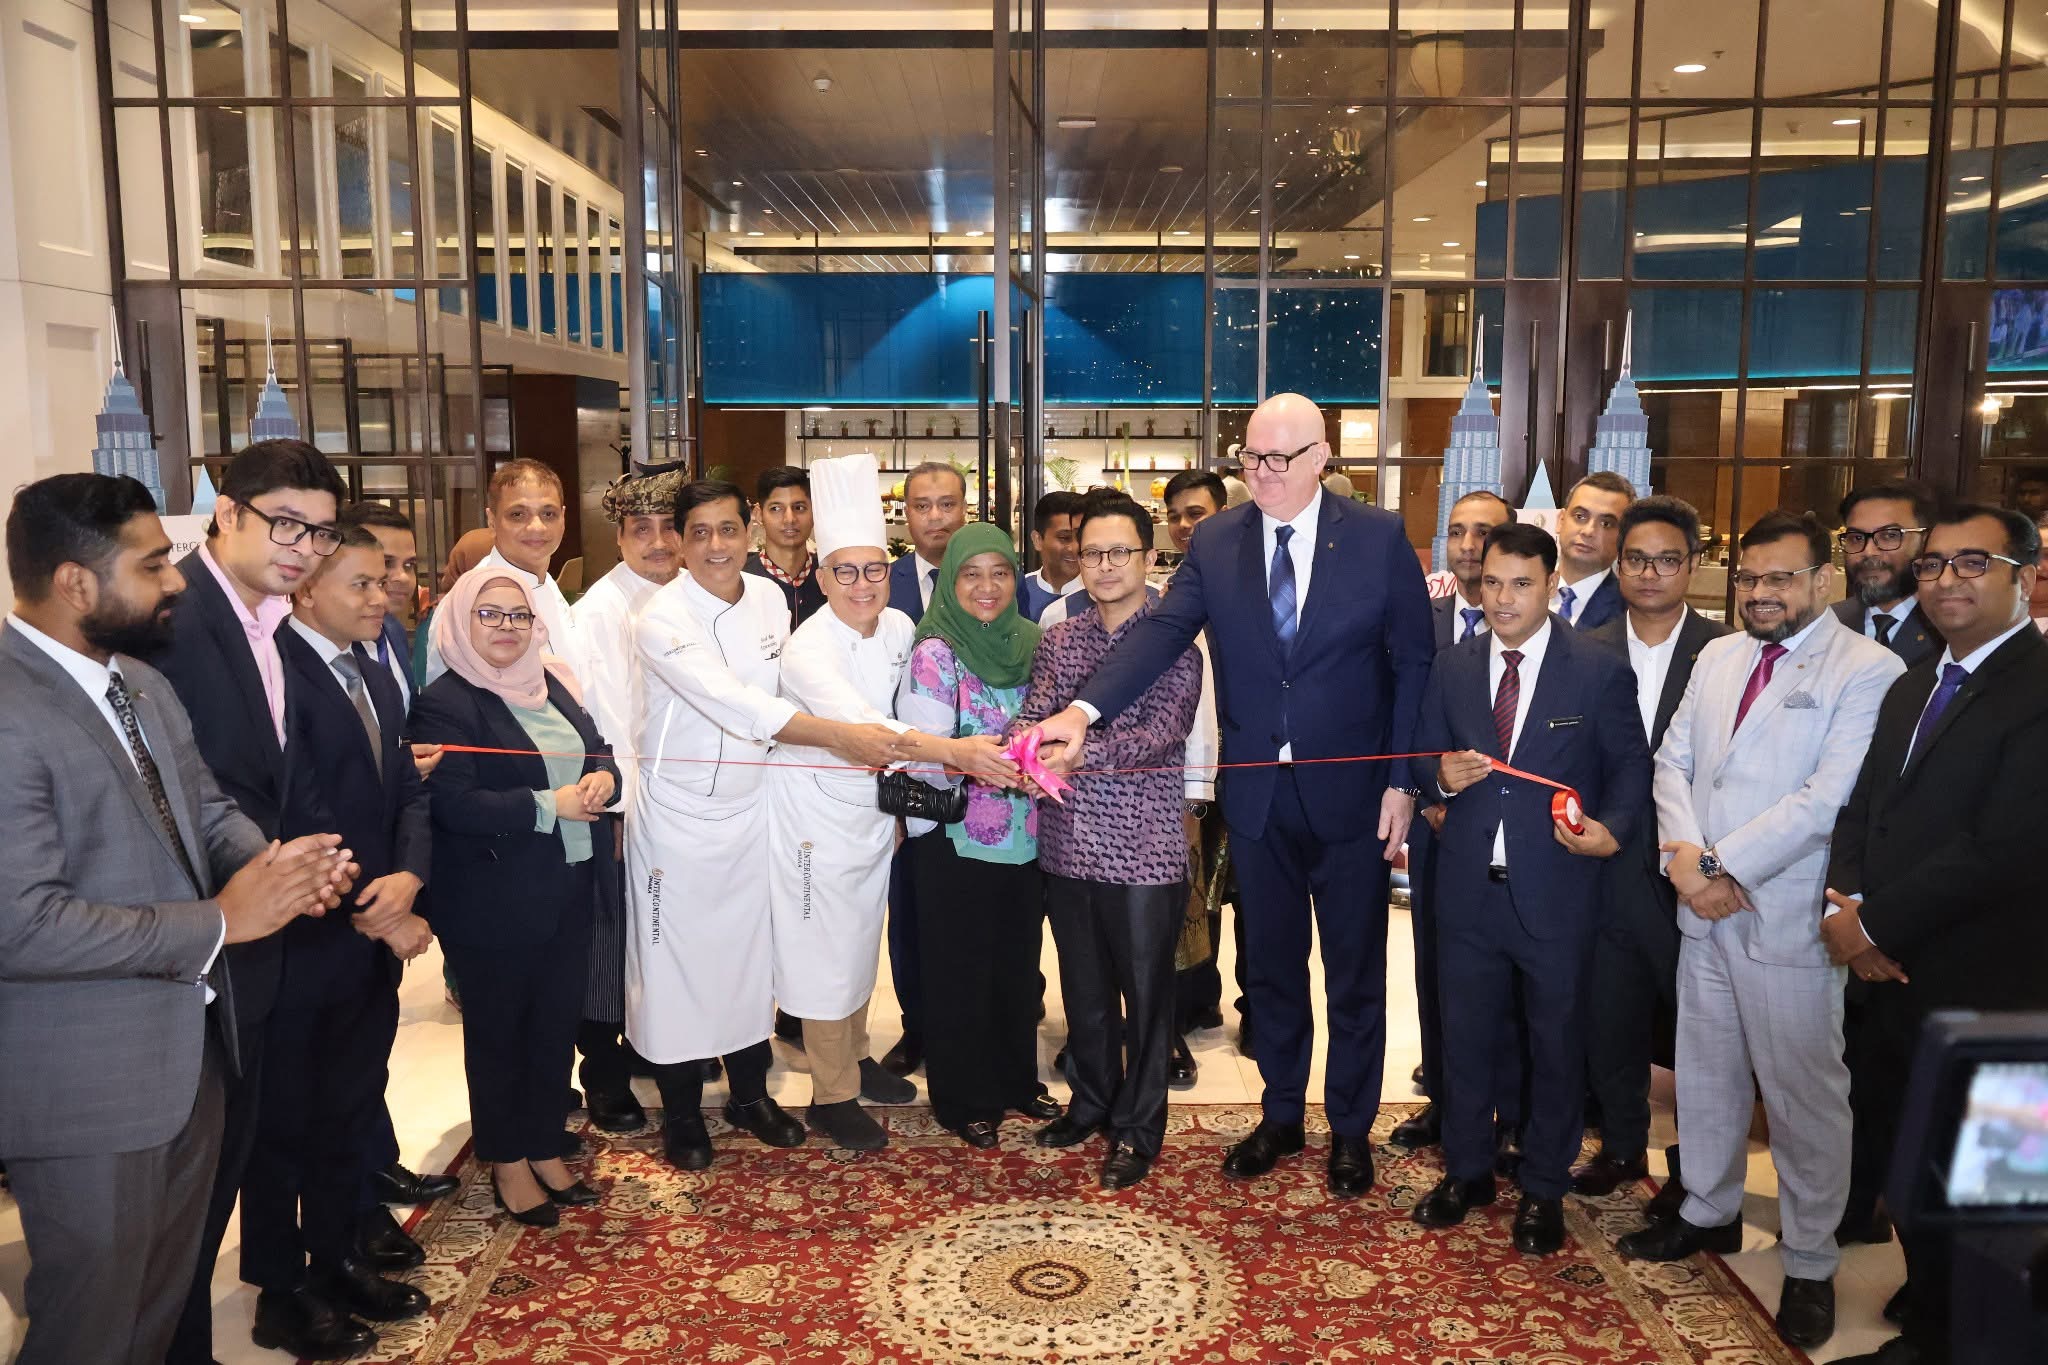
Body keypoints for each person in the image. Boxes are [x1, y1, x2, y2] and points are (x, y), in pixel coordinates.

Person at [1030, 392, 1435, 1197]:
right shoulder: (1218, 539)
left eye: (1279, 458)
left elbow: (1413, 662)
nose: (1263, 472)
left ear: (1321, 457)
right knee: (1272, 969)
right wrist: (1081, 710)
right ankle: (1281, 1115)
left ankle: (1348, 1129)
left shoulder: (1379, 537)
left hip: (1354, 795)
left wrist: (1403, 778)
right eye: (1251, 457)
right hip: (1256, 796)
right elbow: (1161, 633)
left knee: (1354, 974)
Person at [0, 473, 350, 1365]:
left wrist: (278, 867)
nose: (175, 582)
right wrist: (222, 921)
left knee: (157, 1309)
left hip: (191, 1058)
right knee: (91, 1325)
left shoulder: (142, 685)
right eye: (153, 564)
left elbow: (203, 810)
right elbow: (23, 924)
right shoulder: (9, 709)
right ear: (76, 582)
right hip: (86, 1085)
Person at [1624, 510, 1906, 1352]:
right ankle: (1707, 1209)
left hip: (1785, 911)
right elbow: (1670, 762)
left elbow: (1826, 799)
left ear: (1823, 579)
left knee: (1802, 1094)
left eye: (1780, 577)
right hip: (1702, 904)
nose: (1760, 592)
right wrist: (1685, 864)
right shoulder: (1719, 655)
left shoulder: (1869, 669)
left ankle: (1812, 1258)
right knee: (1706, 1070)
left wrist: (1720, 865)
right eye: (1749, 577)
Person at [626, 481, 913, 1169]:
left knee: (751, 959)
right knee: (676, 966)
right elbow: (738, 703)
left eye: (728, 529)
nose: (716, 546)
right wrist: (846, 736)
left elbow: (789, 687)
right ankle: (682, 1113)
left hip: (759, 805)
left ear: (748, 533)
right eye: (700, 532)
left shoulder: (767, 599)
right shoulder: (659, 618)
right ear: (680, 542)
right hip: (679, 815)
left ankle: (750, 1095)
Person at [1823, 506, 2048, 1365]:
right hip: (1891, 979)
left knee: (1989, 1194)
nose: (1947, 579)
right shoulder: (1912, 682)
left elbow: (2005, 848)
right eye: (1933, 564)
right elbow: (1864, 809)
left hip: (1997, 989)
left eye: (1973, 562)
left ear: (2025, 575)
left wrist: (1870, 924)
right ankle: (1932, 1320)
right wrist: (1849, 910)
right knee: (1909, 1165)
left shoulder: (2038, 687)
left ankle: (1969, 1340)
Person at [148, 437, 352, 1365]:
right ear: (226, 514)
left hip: (257, 928)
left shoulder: (265, 622)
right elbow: (169, 797)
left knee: (227, 1160)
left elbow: (267, 777)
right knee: (181, 1194)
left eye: (321, 532)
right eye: (286, 524)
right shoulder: (177, 622)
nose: (304, 548)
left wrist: (309, 863)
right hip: (190, 944)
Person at [1408, 522, 1649, 1254]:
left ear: (1551, 585)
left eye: (1521, 584)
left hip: (1558, 889)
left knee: (1556, 1043)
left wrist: (1611, 830)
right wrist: (1436, 776)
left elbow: (1630, 768)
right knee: (1464, 1037)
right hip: (1467, 890)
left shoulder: (1598, 668)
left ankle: (1544, 1184)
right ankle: (1467, 1171)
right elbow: (1421, 754)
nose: (1504, 599)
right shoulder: (1453, 665)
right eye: (1492, 583)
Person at [243, 523, 433, 1357]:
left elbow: (409, 791)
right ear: (307, 589)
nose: (381, 594)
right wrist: (377, 905)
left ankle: (336, 1256)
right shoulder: (277, 672)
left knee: (347, 1106)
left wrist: (411, 877)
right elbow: (299, 809)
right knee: (283, 1122)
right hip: (305, 937)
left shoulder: (375, 670)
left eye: (384, 580)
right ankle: (279, 1289)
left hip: (367, 938)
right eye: (361, 582)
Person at [409, 568, 619, 1227]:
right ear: (458, 622)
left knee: (554, 1025)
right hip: (493, 896)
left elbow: (597, 749)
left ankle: (542, 1143)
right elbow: (453, 803)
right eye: (490, 614)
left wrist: (604, 779)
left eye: (519, 615)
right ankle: (506, 1158)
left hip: (569, 883)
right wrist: (548, 804)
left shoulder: (550, 682)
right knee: (501, 1032)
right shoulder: (445, 703)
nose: (507, 627)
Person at [1015, 493, 1202, 1189]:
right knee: (1085, 991)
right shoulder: (1060, 638)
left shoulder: (1175, 641)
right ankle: (1090, 1102)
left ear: (1149, 557)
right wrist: (1025, 747)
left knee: (1148, 999)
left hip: (1144, 850)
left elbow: (1158, 736)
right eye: (1091, 552)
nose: (1104, 565)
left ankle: (1138, 1126)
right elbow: (1033, 716)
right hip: (1067, 844)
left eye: (1120, 551)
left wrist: (1071, 753)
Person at [1572, 497, 1729, 1205]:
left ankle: (1698, 1171)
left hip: (1696, 868)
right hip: (1607, 862)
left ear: (1691, 564)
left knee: (1703, 1029)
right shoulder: (1584, 645)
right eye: (1636, 558)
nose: (1650, 572)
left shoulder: (1726, 651)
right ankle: (1622, 1145)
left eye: (1667, 559)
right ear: (1618, 563)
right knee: (1612, 1016)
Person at [766, 454, 922, 1152]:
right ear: (822, 577)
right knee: (823, 951)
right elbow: (869, 730)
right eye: (846, 572)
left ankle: (855, 1057)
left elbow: (909, 708)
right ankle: (830, 1095)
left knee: (861, 941)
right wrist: (957, 752)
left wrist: (899, 810)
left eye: (874, 570)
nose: (862, 585)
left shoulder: (899, 629)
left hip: (872, 811)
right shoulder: (806, 648)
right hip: (814, 820)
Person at [893, 521, 1065, 1148]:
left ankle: (1017, 1080)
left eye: (1000, 573)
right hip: (954, 837)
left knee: (1017, 964)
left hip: (1029, 833)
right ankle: (964, 1096)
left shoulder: (1034, 640)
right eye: (971, 574)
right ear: (950, 581)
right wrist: (975, 759)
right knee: (959, 968)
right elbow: (917, 754)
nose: (987, 586)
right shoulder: (935, 652)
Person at [1394, 487, 1513, 1154]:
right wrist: (1429, 796)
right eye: (1459, 531)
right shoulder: (1421, 616)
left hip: (1514, 838)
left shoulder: (1533, 623)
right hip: (1435, 827)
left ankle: (1512, 1113)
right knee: (1435, 968)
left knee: (1509, 975)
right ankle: (1444, 1101)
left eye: (1484, 533)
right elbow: (1403, 715)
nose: (1469, 545)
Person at [569, 469, 686, 1132]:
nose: (658, 541)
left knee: (666, 935)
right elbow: (603, 716)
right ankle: (604, 1074)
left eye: (670, 527)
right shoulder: (601, 610)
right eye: (642, 529)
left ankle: (657, 1043)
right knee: (608, 944)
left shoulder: (694, 596)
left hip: (685, 808)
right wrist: (623, 809)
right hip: (622, 808)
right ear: (619, 537)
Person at [881, 460, 969, 1077]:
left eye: (947, 504)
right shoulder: (880, 585)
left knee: (985, 908)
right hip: (906, 782)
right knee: (910, 906)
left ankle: (994, 1019)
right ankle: (917, 1027)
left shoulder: (993, 575)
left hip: (987, 782)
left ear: (965, 509)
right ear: (905, 514)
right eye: (922, 506)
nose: (935, 517)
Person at [1159, 469, 1230, 1080]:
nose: (1184, 526)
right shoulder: (1165, 593)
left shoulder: (1246, 580)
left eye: (1197, 513)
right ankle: (1185, 1002)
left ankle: (1229, 1000)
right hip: (1191, 767)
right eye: (1176, 515)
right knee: (1188, 885)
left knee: (1237, 893)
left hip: (1251, 763)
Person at [423, 458, 580, 686]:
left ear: (563, 518)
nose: (536, 527)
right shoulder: (467, 601)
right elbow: (446, 695)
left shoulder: (547, 584)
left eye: (548, 514)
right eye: (518, 515)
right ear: (492, 520)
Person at [1834, 480, 1944, 668]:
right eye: (1856, 538)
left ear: (1927, 541)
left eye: (1889, 536)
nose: (1869, 552)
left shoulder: (1949, 629)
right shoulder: (1828, 624)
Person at [745, 465, 826, 628]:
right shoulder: (742, 581)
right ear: (759, 515)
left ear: (814, 512)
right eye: (776, 509)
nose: (789, 519)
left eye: (799, 508)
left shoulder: (832, 578)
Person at [1551, 471, 1634, 629]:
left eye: (1606, 524)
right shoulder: (1519, 588)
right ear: (1561, 521)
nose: (1588, 531)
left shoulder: (1631, 614)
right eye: (1580, 516)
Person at [1017, 489, 1084, 621]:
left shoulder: (1098, 593)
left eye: (1081, 536)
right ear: (1037, 540)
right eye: (1065, 538)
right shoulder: (1018, 591)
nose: (1075, 547)